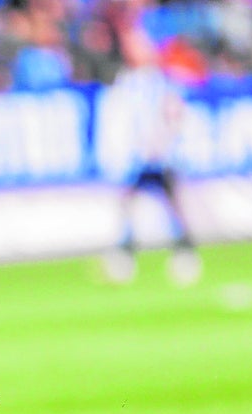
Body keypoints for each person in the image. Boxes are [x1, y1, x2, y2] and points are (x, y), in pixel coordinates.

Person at [102, 30, 201, 286]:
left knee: (172, 205)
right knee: (129, 205)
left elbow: (176, 115)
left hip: (162, 156)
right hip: (136, 158)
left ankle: (184, 252)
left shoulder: (163, 82)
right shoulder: (125, 84)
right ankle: (126, 253)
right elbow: (118, 122)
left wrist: (166, 143)